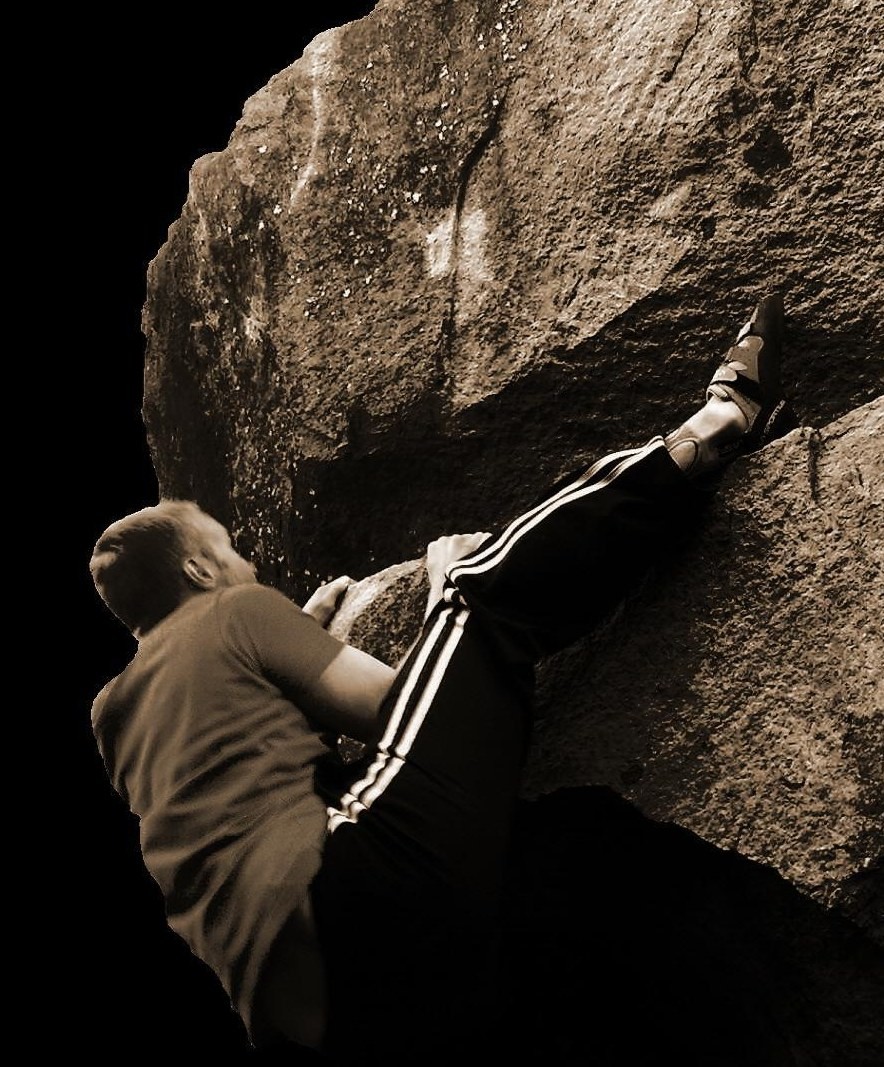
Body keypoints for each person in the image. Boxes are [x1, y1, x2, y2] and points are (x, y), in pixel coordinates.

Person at [90, 295, 798, 1063]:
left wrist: (290, 675)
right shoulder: (233, 612)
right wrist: (431, 601)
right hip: (354, 890)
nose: (250, 564)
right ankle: (718, 422)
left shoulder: (116, 716)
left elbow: (240, 783)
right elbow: (402, 707)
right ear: (200, 571)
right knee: (477, 598)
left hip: (327, 1017)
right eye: (231, 552)